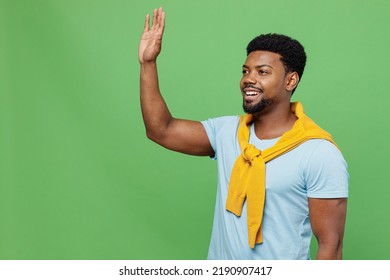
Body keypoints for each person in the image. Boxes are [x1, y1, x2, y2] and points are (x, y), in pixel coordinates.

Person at [138, 7, 349, 260]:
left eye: (263, 72)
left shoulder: (319, 152)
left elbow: (331, 246)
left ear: (290, 81)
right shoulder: (227, 132)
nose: (249, 79)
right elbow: (161, 130)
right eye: (245, 71)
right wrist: (148, 63)